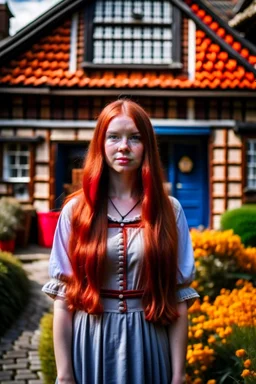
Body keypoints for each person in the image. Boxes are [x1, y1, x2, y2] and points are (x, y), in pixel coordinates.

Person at [42, 99, 199, 384]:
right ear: (100, 144)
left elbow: (178, 301)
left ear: (147, 146)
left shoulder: (169, 210)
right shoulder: (77, 211)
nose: (123, 146)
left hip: (149, 340)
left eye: (135, 138)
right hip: (90, 338)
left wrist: (178, 375)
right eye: (113, 136)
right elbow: (64, 302)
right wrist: (64, 375)